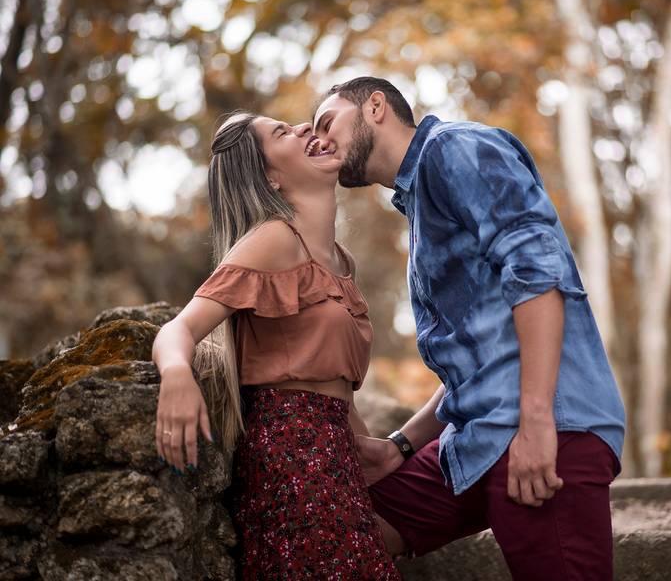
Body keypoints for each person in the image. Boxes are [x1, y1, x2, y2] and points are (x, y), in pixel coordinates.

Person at [313, 77, 627, 581]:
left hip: (548, 430)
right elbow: (479, 364)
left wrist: (539, 424)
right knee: (338, 526)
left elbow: (538, 276)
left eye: (326, 122)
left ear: (375, 107)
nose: (319, 139)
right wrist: (398, 447)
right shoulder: (419, 199)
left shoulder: (453, 149)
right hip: (476, 439)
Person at [151, 112, 400, 580]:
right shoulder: (271, 240)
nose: (307, 128)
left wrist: (374, 455)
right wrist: (178, 376)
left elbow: (334, 383)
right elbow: (177, 330)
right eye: (283, 133)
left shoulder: (341, 261)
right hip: (291, 455)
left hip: (335, 452)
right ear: (270, 177)